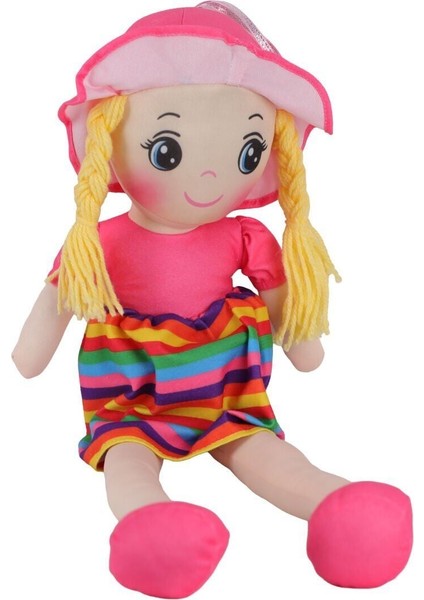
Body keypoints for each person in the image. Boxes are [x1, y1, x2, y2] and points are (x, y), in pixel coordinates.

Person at [12, 3, 412, 598]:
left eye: (248, 152)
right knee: (127, 457)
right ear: (109, 141)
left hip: (225, 388)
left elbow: (286, 309)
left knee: (262, 450)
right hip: (132, 390)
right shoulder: (101, 242)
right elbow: (58, 304)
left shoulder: (245, 236)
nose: (209, 178)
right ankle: (151, 527)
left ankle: (339, 508)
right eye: (168, 151)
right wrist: (29, 355)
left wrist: (304, 344)